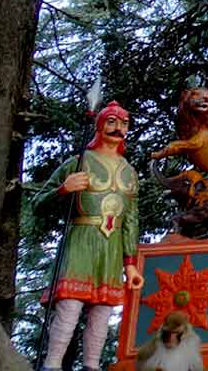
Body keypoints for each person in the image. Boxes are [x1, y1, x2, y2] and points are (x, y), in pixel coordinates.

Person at [35, 101, 144, 371]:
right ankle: (52, 365)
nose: (118, 129)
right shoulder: (78, 163)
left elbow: (130, 219)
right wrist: (63, 189)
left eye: (124, 124)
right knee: (69, 308)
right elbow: (39, 203)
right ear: (99, 125)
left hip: (112, 248)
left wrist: (130, 264)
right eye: (112, 122)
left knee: (103, 313)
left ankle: (92, 366)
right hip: (81, 241)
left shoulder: (129, 172)